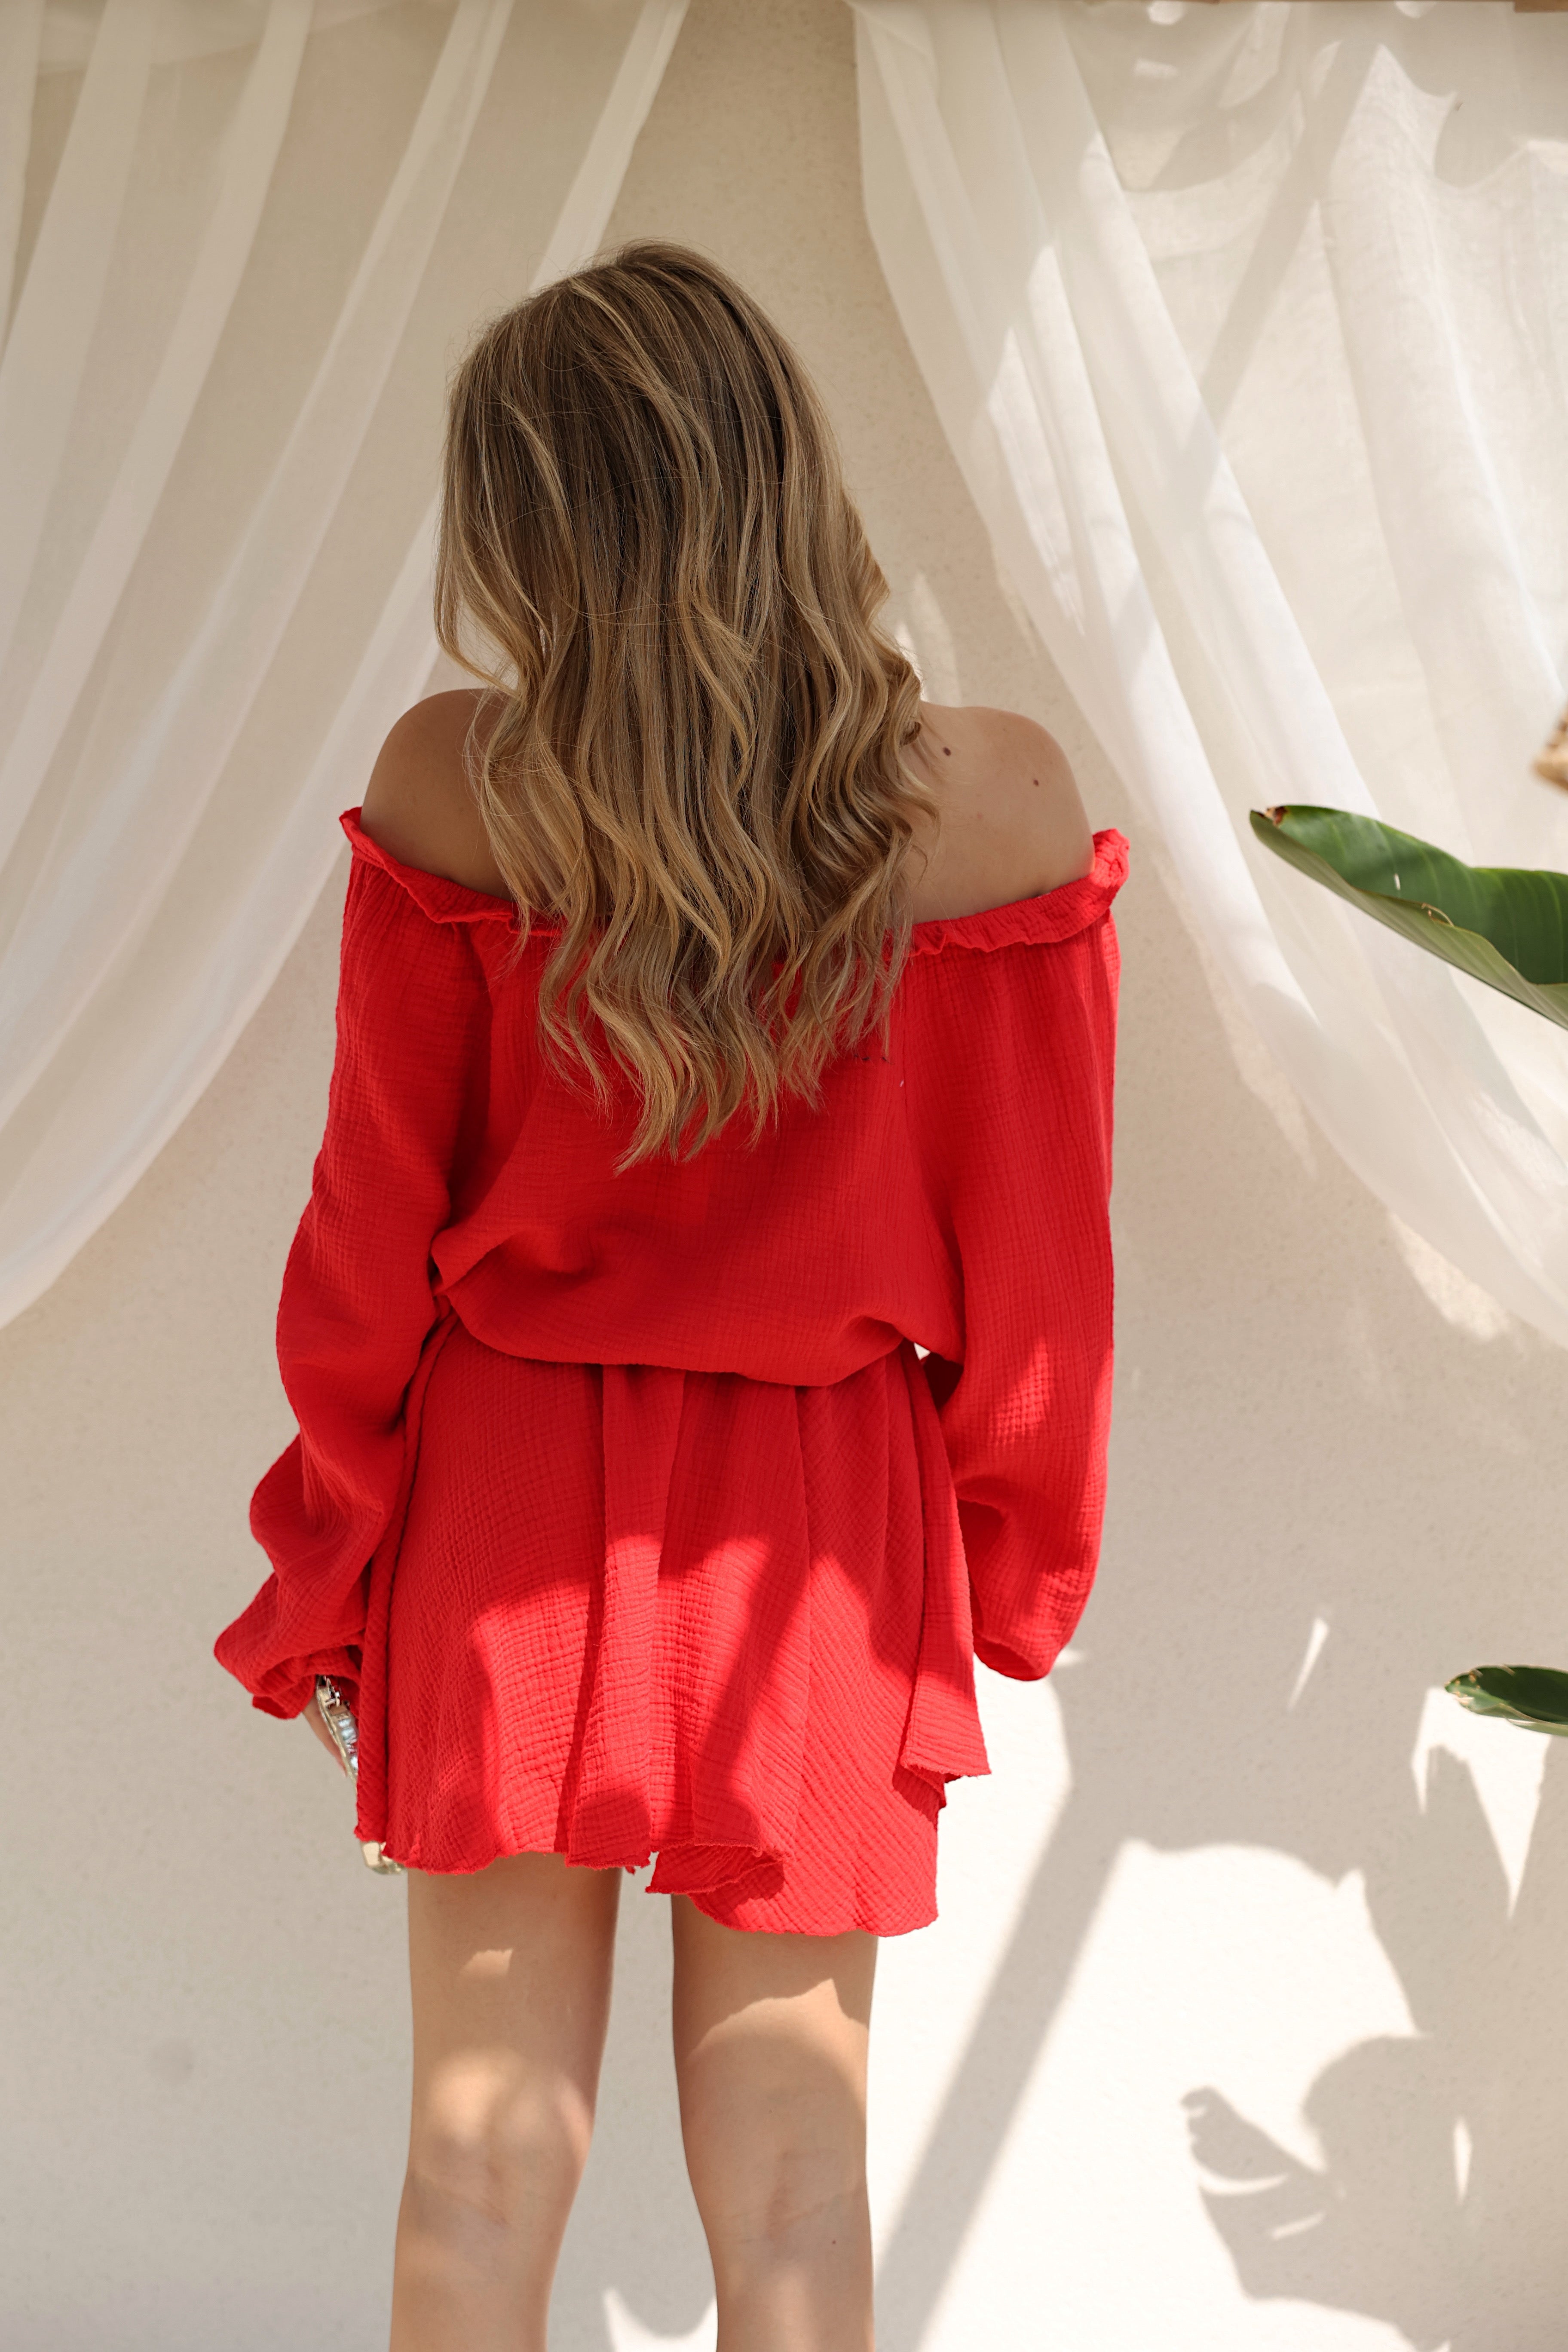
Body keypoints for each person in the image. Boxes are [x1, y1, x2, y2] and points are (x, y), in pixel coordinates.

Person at [214, 241, 1125, 2352]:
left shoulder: (457, 782)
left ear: (527, 531)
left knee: (477, 2155)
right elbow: (1048, 1282)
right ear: (786, 471)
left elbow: (363, 1242)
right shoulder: (992, 803)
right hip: (821, 1529)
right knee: (797, 2180)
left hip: (506, 1503)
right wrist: (1006, 1582)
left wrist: (329, 1560)